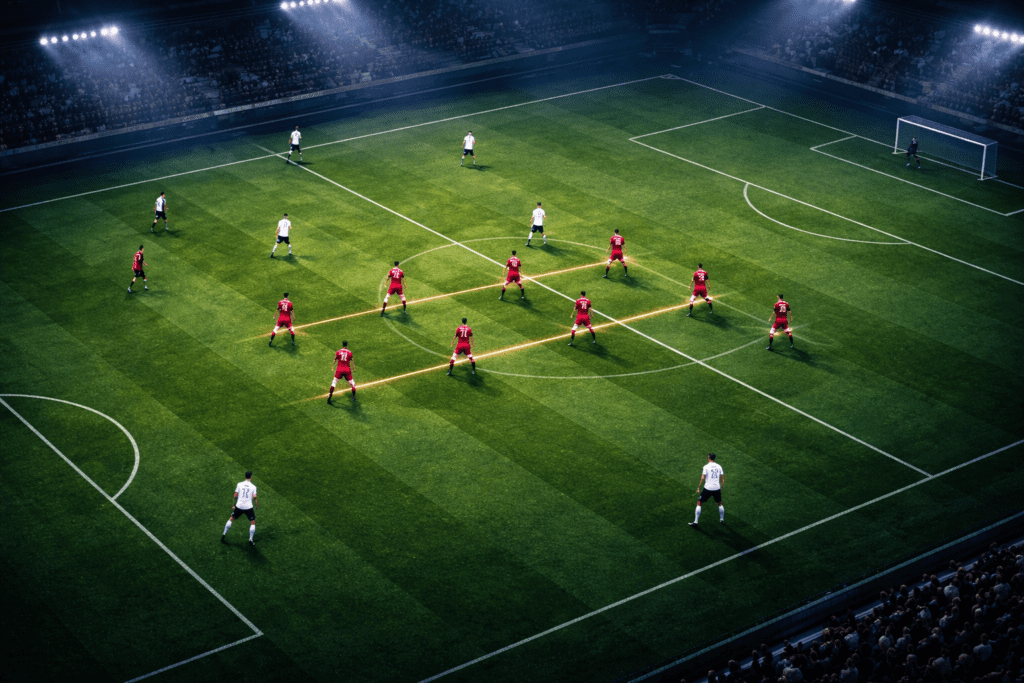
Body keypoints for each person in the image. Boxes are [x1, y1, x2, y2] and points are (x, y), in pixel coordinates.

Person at [221, 470, 258, 546]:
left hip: (239, 506)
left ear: (245, 477)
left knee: (231, 518)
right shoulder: (253, 487)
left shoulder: (239, 484)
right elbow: (255, 497)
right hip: (248, 507)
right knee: (253, 522)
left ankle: (224, 534)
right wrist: (256, 505)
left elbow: (235, 495)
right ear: (251, 477)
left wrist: (233, 504)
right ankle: (251, 540)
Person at [690, 452, 724, 527]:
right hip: (717, 488)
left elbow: (702, 478)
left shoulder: (706, 467)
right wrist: (721, 486)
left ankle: (696, 522)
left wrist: (698, 487)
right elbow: (722, 477)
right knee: (719, 503)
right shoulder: (719, 466)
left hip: (708, 488)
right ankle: (722, 519)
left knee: (699, 502)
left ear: (708, 458)